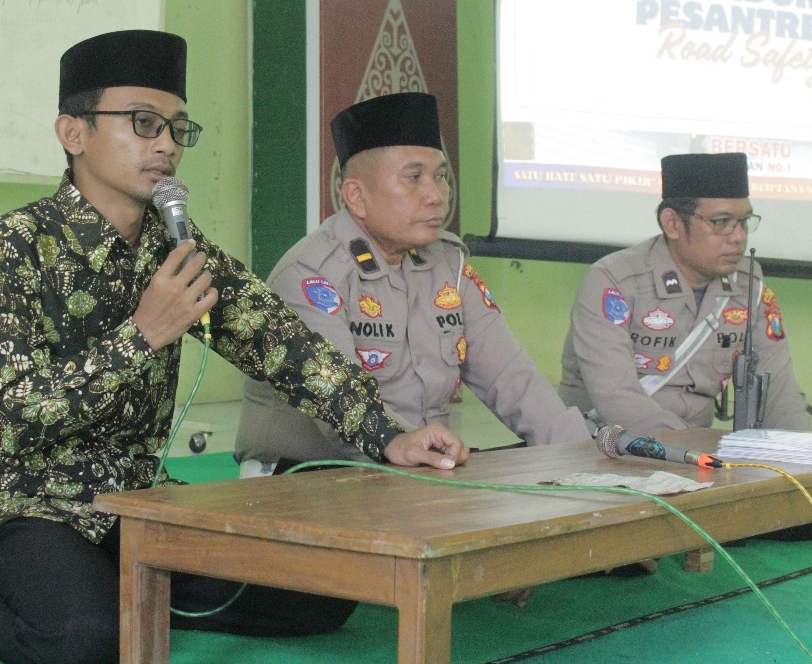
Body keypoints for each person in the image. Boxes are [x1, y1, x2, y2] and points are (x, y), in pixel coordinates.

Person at [0, 31, 468, 664]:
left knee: (321, 597)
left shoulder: (180, 250)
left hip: (138, 498)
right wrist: (142, 335)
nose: (165, 145)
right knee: (89, 641)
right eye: (142, 123)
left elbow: (285, 346)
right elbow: (10, 412)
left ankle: (121, 584)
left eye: (176, 128)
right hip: (24, 498)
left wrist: (387, 434)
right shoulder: (13, 248)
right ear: (73, 132)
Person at [234, 91, 591, 472]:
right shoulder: (311, 274)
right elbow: (336, 409)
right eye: (414, 178)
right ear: (356, 195)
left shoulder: (448, 265)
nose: (436, 196)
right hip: (308, 473)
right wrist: (406, 446)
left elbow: (512, 379)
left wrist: (586, 455)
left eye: (440, 177)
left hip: (417, 468)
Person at [559, 151, 812, 544]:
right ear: (672, 223)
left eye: (743, 222)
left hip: (703, 462)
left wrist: (802, 467)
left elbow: (778, 389)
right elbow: (617, 399)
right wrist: (702, 461)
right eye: (721, 222)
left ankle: (718, 519)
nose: (737, 236)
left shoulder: (747, 288)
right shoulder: (614, 282)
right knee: (621, 538)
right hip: (616, 452)